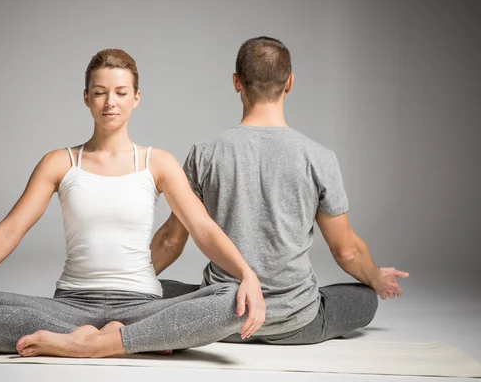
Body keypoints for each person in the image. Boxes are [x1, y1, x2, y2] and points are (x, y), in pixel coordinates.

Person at [0, 48, 266, 358]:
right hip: (72, 305)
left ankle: (83, 344)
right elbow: (12, 229)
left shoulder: (157, 162)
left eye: (121, 93)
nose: (111, 102)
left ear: (136, 98)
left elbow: (202, 228)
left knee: (231, 300)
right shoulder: (59, 163)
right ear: (86, 98)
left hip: (141, 304)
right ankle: (133, 340)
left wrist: (246, 273)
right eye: (100, 92)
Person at [151, 36, 410, 345]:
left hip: (220, 317)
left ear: (237, 82)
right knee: (365, 297)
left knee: (153, 291)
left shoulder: (205, 154)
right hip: (296, 321)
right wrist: (376, 277)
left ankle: (201, 315)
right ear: (289, 83)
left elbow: (171, 239)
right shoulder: (319, 158)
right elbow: (346, 250)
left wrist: (125, 285)